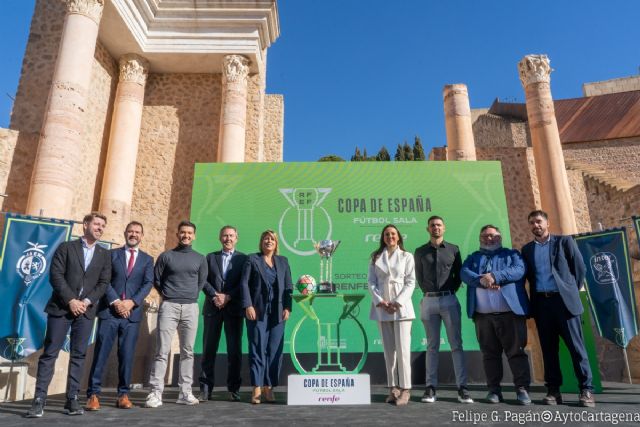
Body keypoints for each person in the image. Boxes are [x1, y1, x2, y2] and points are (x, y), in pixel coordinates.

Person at [26, 213, 112, 418]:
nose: (100, 228)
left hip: (86, 311)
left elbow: (103, 283)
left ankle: (72, 399)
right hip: (61, 308)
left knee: (79, 355)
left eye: (103, 225)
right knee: (50, 354)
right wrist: (71, 300)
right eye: (96, 224)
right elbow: (55, 275)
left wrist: (86, 302)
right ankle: (39, 400)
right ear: (85, 225)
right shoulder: (66, 248)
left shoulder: (104, 254)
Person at [522, 210, 595, 407]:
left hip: (564, 303)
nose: (535, 225)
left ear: (547, 223)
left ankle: (586, 390)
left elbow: (579, 269)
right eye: (532, 223)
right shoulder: (527, 249)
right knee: (548, 350)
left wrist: (568, 290)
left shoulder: (564, 242)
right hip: (542, 305)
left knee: (576, 348)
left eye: (538, 221)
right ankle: (553, 391)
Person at [85, 221, 154, 410]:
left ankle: (123, 394)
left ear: (142, 235)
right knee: (100, 354)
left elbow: (148, 283)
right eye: (130, 231)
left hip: (132, 315)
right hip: (110, 312)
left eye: (137, 232)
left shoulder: (148, 260)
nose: (133, 234)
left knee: (127, 355)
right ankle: (93, 395)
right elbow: (104, 280)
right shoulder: (110, 255)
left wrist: (132, 302)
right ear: (125, 233)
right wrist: (116, 301)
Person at [460, 225, 532, 405]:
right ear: (480, 239)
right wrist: (483, 280)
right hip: (483, 317)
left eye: (492, 235)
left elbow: (518, 271)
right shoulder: (473, 258)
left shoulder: (512, 255)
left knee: (517, 352)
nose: (488, 239)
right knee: (489, 355)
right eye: (484, 236)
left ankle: (522, 390)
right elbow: (464, 273)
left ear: (499, 237)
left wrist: (494, 276)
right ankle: (494, 391)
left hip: (511, 314)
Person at [145, 220, 207, 408]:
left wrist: (190, 296)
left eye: (189, 233)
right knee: (162, 351)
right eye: (183, 232)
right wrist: (169, 294)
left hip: (190, 308)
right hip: (169, 306)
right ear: (177, 234)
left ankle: (185, 392)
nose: (186, 235)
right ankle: (156, 393)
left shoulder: (200, 258)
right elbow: (157, 279)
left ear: (194, 236)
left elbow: (201, 281)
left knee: (188, 351)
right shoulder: (166, 256)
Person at [414, 215, 472, 404]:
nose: (436, 228)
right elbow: (419, 276)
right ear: (427, 229)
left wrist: (451, 290)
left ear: (444, 228)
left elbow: (458, 273)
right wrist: (428, 291)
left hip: (449, 300)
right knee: (432, 346)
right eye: (432, 225)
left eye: (439, 225)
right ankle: (430, 388)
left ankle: (462, 388)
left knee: (456, 344)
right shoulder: (420, 251)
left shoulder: (453, 249)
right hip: (429, 301)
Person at [240, 230, 293, 404]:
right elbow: (244, 284)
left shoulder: (283, 261)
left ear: (276, 243)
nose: (268, 241)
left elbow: (288, 286)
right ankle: (256, 387)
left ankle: (269, 388)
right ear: (261, 242)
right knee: (257, 348)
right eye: (265, 238)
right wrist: (248, 305)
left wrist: (288, 307)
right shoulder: (252, 259)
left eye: (272, 239)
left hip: (278, 313)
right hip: (257, 311)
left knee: (274, 351)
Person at [367, 225, 416, 406]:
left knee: (403, 350)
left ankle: (405, 389)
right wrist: (380, 300)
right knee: (389, 352)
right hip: (382, 307)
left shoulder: (406, 256)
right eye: (387, 234)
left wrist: (398, 302)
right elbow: (371, 282)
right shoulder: (375, 257)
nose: (390, 237)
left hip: (401, 308)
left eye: (393, 234)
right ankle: (392, 388)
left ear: (398, 237)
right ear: (383, 237)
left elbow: (411, 282)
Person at [199, 225, 248, 402]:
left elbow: (244, 282)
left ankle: (234, 389)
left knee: (234, 351)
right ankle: (205, 389)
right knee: (208, 350)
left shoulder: (244, 259)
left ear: (237, 238)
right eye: (225, 236)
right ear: (220, 238)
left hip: (233, 310)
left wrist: (228, 297)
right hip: (213, 309)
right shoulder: (210, 257)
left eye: (231, 236)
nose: (228, 239)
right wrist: (215, 296)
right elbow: (203, 280)